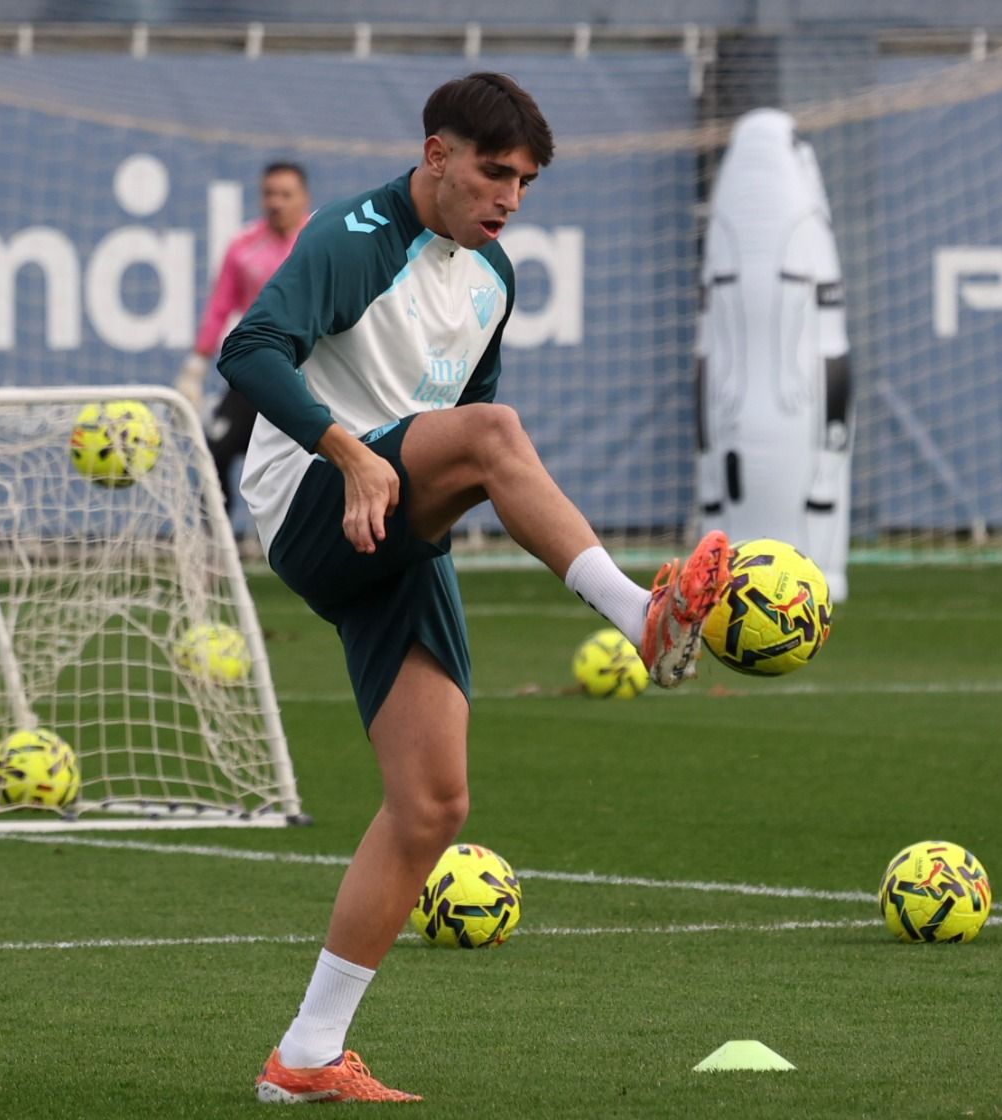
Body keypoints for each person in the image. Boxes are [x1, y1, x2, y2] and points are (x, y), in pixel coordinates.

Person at [219, 72, 730, 1105]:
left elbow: (461, 429)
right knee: (495, 438)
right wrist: (353, 457)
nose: (507, 196)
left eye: (526, 182)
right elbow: (248, 348)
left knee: (431, 803)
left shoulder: (493, 275)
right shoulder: (353, 235)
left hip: (394, 528)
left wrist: (420, 489)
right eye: (493, 171)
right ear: (436, 153)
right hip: (314, 498)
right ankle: (640, 614)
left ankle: (305, 1056)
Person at [174, 161, 311, 514]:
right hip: (256, 373)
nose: (276, 202)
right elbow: (220, 305)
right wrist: (196, 364)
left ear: (303, 199)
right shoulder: (243, 246)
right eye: (269, 194)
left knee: (314, 464)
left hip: (311, 374)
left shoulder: (320, 240)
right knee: (214, 452)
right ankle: (217, 548)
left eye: (285, 194)